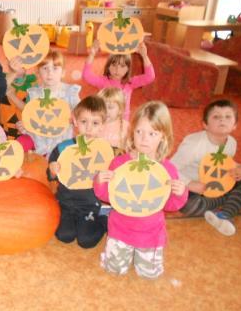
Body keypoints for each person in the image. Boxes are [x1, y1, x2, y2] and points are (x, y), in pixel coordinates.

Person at [93, 101, 188, 279]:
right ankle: (114, 252)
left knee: (150, 275)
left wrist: (180, 192)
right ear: (132, 132)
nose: (144, 139)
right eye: (139, 132)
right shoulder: (120, 163)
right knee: (113, 270)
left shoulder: (166, 170)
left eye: (152, 133)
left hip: (150, 234)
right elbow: (107, 196)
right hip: (120, 230)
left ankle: (141, 256)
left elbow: (171, 205)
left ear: (163, 136)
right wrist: (100, 182)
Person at [171, 99, 241, 236]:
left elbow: (229, 163)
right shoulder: (193, 145)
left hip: (219, 185)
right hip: (194, 188)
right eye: (216, 116)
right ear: (205, 125)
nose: (222, 120)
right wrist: (189, 184)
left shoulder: (231, 143)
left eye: (228, 116)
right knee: (188, 205)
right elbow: (170, 168)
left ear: (235, 125)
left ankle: (225, 214)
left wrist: (240, 169)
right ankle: (233, 201)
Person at [47, 95, 109, 248]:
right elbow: (50, 175)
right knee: (64, 236)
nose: (89, 128)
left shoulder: (104, 151)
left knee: (86, 241)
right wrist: (52, 170)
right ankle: (72, 221)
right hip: (65, 202)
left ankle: (105, 220)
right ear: (75, 121)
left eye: (95, 123)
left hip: (89, 204)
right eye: (84, 122)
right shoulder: (63, 148)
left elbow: (110, 181)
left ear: (102, 126)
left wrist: (105, 178)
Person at [7, 49, 81, 156]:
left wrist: (74, 117)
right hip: (37, 138)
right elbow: (30, 114)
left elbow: (80, 113)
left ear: (63, 72)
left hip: (61, 140)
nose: (50, 73)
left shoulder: (70, 92)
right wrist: (25, 125)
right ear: (38, 72)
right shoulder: (34, 93)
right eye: (45, 68)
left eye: (55, 68)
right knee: (17, 146)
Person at [83, 41, 155, 120]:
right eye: (114, 65)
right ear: (108, 66)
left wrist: (144, 56)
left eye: (122, 66)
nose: (117, 70)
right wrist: (92, 54)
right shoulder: (103, 81)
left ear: (128, 69)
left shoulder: (130, 83)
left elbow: (150, 77)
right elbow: (86, 75)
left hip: (122, 122)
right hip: (105, 120)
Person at [97, 87, 129, 152]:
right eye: (102, 107)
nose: (105, 111)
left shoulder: (127, 127)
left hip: (119, 159)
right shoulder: (94, 124)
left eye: (110, 107)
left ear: (120, 109)